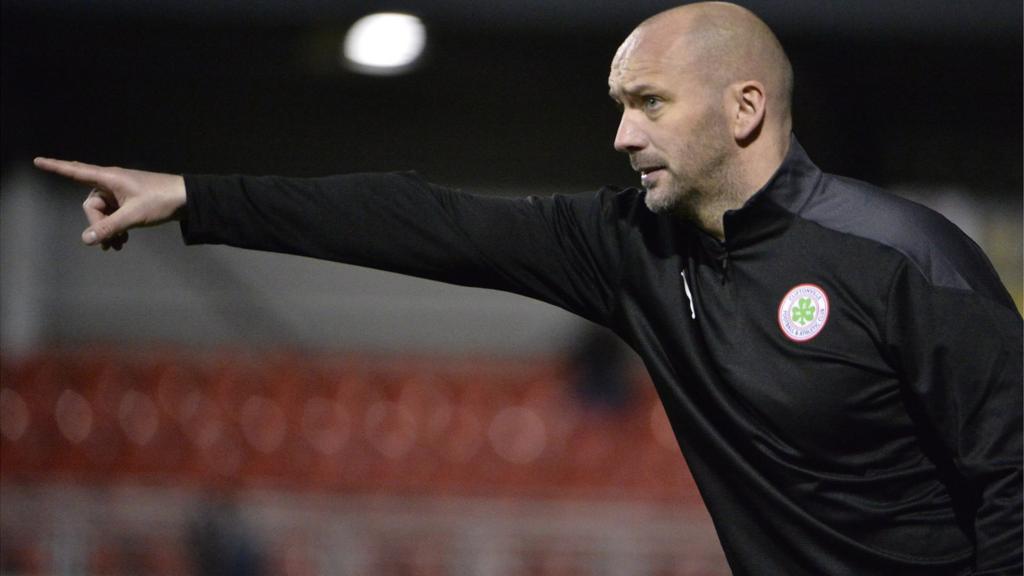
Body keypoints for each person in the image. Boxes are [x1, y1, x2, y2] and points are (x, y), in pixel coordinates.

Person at [33, 2, 1022, 574]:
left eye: (648, 103)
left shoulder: (906, 259)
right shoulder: (627, 247)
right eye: (618, 106)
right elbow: (423, 221)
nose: (621, 134)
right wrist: (197, 198)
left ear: (746, 109)